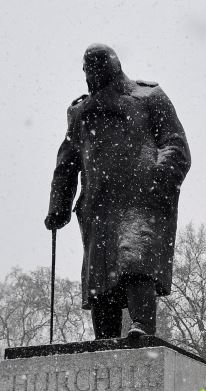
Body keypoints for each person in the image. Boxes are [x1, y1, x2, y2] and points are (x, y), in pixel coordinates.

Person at [43, 44, 191, 339]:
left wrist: (158, 178)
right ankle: (106, 341)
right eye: (89, 71)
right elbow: (67, 162)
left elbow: (175, 144)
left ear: (114, 66)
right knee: (101, 280)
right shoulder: (80, 112)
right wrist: (59, 205)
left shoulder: (149, 96)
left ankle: (142, 329)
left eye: (99, 70)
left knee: (136, 261)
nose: (93, 77)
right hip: (99, 205)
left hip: (141, 199)